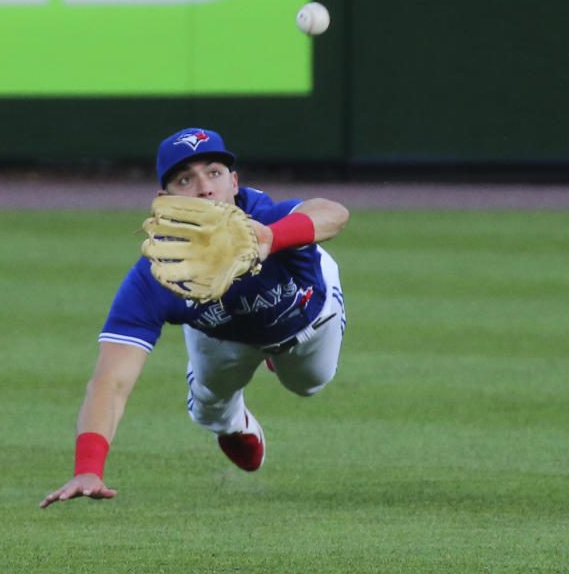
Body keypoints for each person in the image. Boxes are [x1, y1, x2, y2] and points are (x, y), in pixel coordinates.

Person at [40, 128, 349, 508]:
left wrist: (271, 236)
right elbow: (111, 381)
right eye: (185, 179)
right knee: (210, 409)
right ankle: (237, 424)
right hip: (222, 337)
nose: (204, 188)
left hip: (309, 317)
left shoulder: (267, 217)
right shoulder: (157, 276)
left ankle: (275, 361)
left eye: (214, 173)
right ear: (165, 199)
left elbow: (334, 213)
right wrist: (88, 467)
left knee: (309, 384)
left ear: (234, 182)